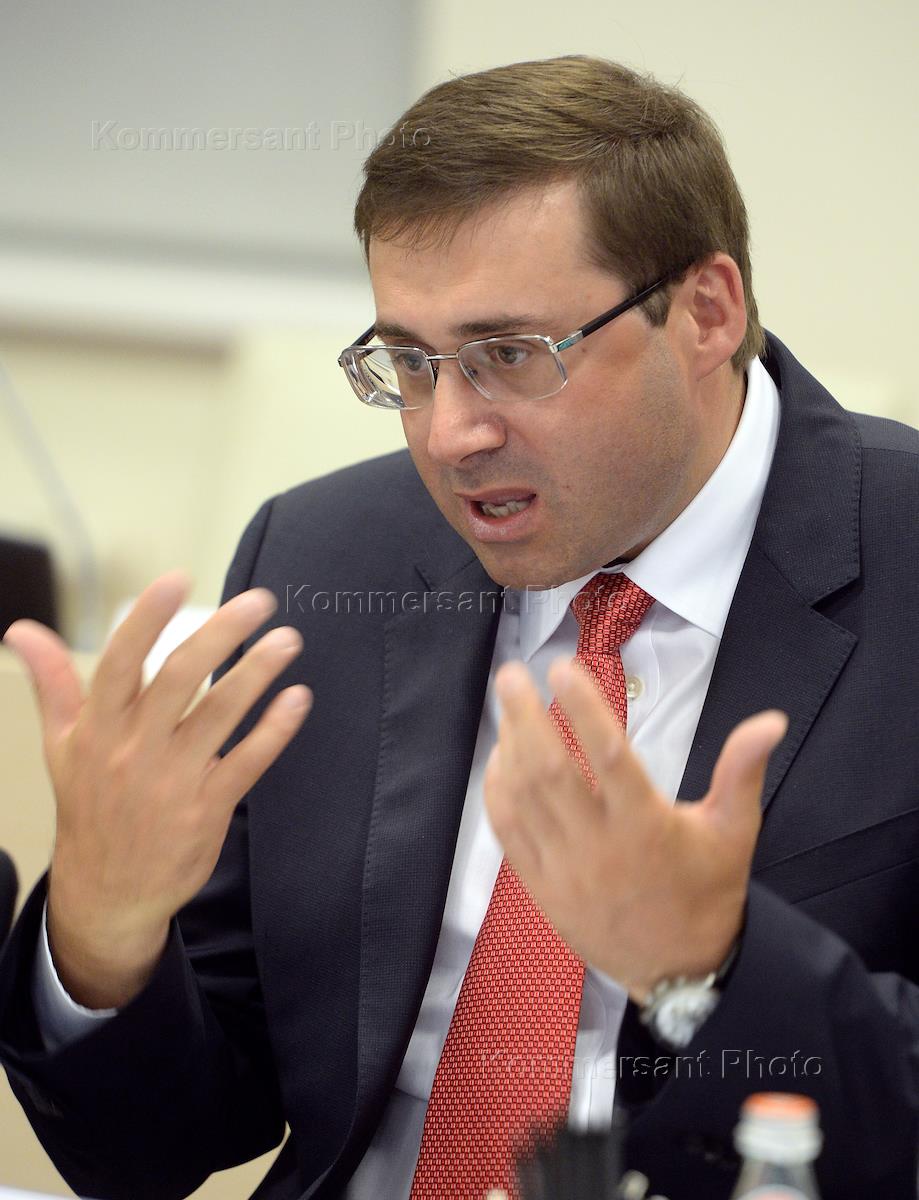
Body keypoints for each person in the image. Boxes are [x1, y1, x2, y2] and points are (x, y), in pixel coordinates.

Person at [0, 55, 917, 1200]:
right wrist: (104, 938)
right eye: (410, 362)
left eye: (509, 356)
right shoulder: (324, 561)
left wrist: (711, 967)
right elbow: (155, 1149)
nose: (447, 435)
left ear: (705, 312)